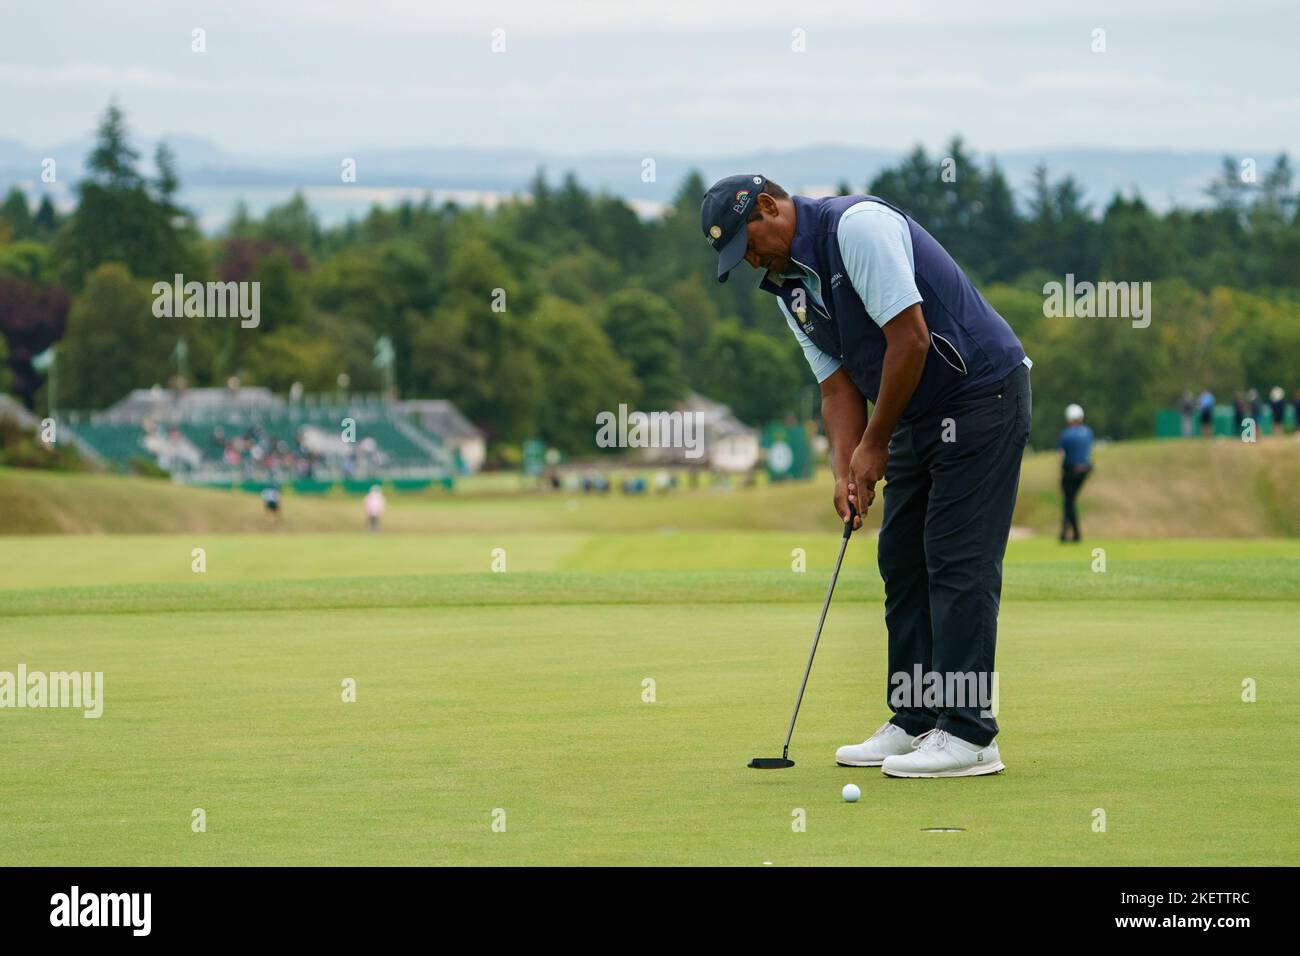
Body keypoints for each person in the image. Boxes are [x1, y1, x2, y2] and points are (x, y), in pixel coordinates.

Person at [702, 175, 1031, 778]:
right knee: (902, 560)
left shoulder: (857, 228)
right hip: (914, 412)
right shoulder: (789, 287)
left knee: (955, 560)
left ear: (771, 207)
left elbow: (910, 340)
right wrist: (844, 470)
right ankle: (915, 717)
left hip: (983, 395)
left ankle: (969, 733)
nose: (752, 262)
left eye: (749, 245)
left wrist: (875, 444)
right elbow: (836, 387)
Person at [1057, 404, 1094, 543]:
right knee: (1070, 501)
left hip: (1070, 471)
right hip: (1085, 471)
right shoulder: (1088, 432)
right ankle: (1067, 532)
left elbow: (1061, 455)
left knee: (1068, 502)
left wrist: (1060, 473)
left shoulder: (1066, 434)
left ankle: (1074, 533)